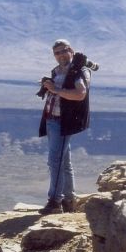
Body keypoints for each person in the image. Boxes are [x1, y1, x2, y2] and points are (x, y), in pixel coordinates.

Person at [38, 39, 91, 214]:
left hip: (64, 122)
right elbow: (57, 90)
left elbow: (80, 94)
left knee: (55, 161)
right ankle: (69, 200)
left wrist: (55, 89)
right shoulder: (57, 71)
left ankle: (54, 201)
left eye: (63, 51)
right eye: (57, 53)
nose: (60, 55)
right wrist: (48, 86)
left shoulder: (79, 72)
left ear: (71, 50)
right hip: (52, 118)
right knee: (64, 161)